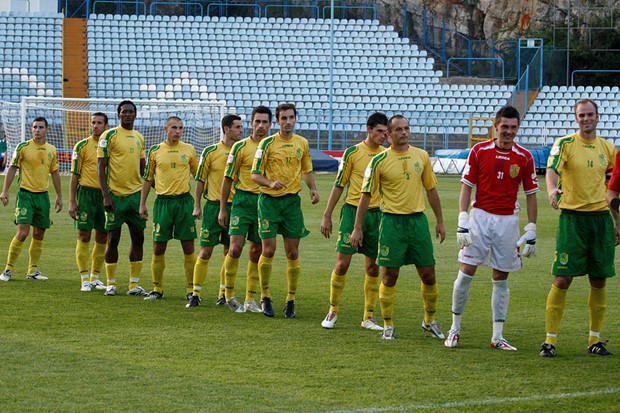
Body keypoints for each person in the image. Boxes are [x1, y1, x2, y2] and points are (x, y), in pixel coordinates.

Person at [445, 105, 539, 351]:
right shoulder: (479, 150)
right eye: (504, 127)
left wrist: (531, 228)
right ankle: (454, 329)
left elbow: (530, 195)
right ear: (495, 127)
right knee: (465, 273)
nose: (508, 132)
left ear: (517, 128)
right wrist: (463, 218)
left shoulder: (525, 157)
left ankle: (497, 336)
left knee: (501, 278)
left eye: (513, 127)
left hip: (508, 221)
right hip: (480, 218)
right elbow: (467, 186)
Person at [350, 115, 445, 340]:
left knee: (429, 274)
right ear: (388, 134)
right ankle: (388, 324)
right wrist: (357, 227)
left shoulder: (421, 156)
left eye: (407, 128)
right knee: (389, 276)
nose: (404, 132)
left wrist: (440, 221)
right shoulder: (379, 161)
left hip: (417, 222)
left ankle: (429, 320)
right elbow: (365, 196)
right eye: (398, 129)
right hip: (391, 223)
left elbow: (431, 190)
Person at [540, 98, 616, 357]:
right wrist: (551, 189)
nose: (586, 119)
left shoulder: (608, 149)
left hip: (601, 220)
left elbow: (613, 187)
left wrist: (617, 222)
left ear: (597, 117)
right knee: (563, 278)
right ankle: (550, 341)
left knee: (599, 279)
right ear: (576, 118)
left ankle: (595, 340)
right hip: (573, 219)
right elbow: (552, 170)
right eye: (581, 115)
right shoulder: (565, 144)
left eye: (590, 114)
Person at [320, 112, 388, 331]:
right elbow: (339, 185)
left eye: (385, 132)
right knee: (342, 263)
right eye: (379, 131)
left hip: (377, 215)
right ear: (368, 130)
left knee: (373, 266)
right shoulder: (352, 153)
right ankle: (333, 310)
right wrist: (327, 215)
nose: (383, 136)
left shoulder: (387, 155)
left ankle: (368, 316)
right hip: (351, 212)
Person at [251, 103, 320, 318]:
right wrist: (270, 183)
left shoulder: (302, 143)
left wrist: (313, 189)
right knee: (268, 251)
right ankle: (265, 296)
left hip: (291, 204)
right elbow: (254, 174)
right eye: (283, 118)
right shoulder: (267, 143)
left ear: (295, 119)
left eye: (291, 117)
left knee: (293, 252)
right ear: (278, 121)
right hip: (269, 203)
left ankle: (291, 299)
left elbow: (306, 169)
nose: (288, 122)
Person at [218, 106, 272, 313]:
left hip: (264, 202)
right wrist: (223, 208)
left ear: (269, 124)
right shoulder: (240, 147)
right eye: (257, 122)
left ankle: (250, 298)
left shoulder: (272, 146)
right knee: (235, 248)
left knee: (257, 251)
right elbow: (227, 179)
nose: (260, 126)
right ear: (252, 123)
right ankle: (229, 294)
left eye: (264, 122)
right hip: (241, 201)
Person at [186, 114, 243, 308]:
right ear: (226, 129)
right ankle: (195, 294)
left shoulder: (241, 151)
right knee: (205, 252)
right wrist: (196, 205)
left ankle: (223, 294)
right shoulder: (210, 151)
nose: (240, 131)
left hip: (235, 207)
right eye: (237, 127)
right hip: (212, 206)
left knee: (230, 251)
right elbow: (200, 179)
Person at [139, 116, 198, 300]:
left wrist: (197, 204)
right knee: (158, 247)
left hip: (184, 203)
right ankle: (157, 289)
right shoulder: (155, 151)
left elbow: (199, 177)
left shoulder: (189, 150)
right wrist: (142, 204)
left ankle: (191, 290)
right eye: (174, 127)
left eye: (181, 128)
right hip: (163, 203)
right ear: (165, 129)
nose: (178, 131)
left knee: (188, 246)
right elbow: (148, 179)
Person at [0, 117, 62, 282]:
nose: (37, 130)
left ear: (46, 129)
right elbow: (12, 168)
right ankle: (7, 270)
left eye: (41, 127)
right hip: (25, 195)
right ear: (31, 129)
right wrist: (4, 191)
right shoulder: (23, 147)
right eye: (35, 127)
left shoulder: (51, 150)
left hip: (43, 196)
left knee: (39, 233)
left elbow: (55, 172)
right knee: (22, 233)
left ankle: (32, 271)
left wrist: (59, 196)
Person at [97, 100, 147, 297]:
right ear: (118, 114)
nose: (127, 114)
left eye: (130, 112)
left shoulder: (139, 137)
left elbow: (143, 166)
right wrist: (106, 196)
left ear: (135, 115)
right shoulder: (109, 135)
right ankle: (111, 283)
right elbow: (100, 166)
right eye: (124, 112)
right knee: (113, 239)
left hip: (135, 196)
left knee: (139, 238)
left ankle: (134, 285)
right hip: (115, 196)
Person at [69, 112, 110, 292]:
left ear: (106, 126)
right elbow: (74, 175)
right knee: (84, 235)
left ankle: (95, 277)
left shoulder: (111, 146)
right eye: (93, 122)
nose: (95, 126)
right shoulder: (82, 146)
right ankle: (84, 278)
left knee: (102, 236)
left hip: (105, 195)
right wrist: (72, 201)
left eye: (99, 123)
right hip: (86, 194)